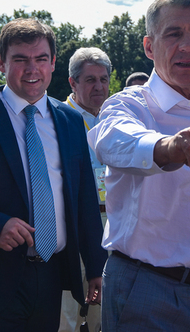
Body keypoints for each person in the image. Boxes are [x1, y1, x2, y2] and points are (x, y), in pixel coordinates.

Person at [88, 0, 190, 332]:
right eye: (173, 34)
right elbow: (113, 140)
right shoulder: (129, 105)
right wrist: (170, 147)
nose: (187, 45)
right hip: (149, 294)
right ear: (149, 46)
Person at [0, 18, 107, 332]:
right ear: (1, 62)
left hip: (51, 277)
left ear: (53, 63)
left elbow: (84, 198)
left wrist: (95, 266)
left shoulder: (70, 121)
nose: (33, 69)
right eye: (20, 59)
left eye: (41, 59)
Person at [60, 47, 111, 332]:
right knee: (66, 313)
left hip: (110, 222)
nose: (99, 87)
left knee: (101, 313)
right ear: (72, 82)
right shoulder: (57, 119)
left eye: (103, 79)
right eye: (90, 80)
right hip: (72, 225)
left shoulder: (115, 119)